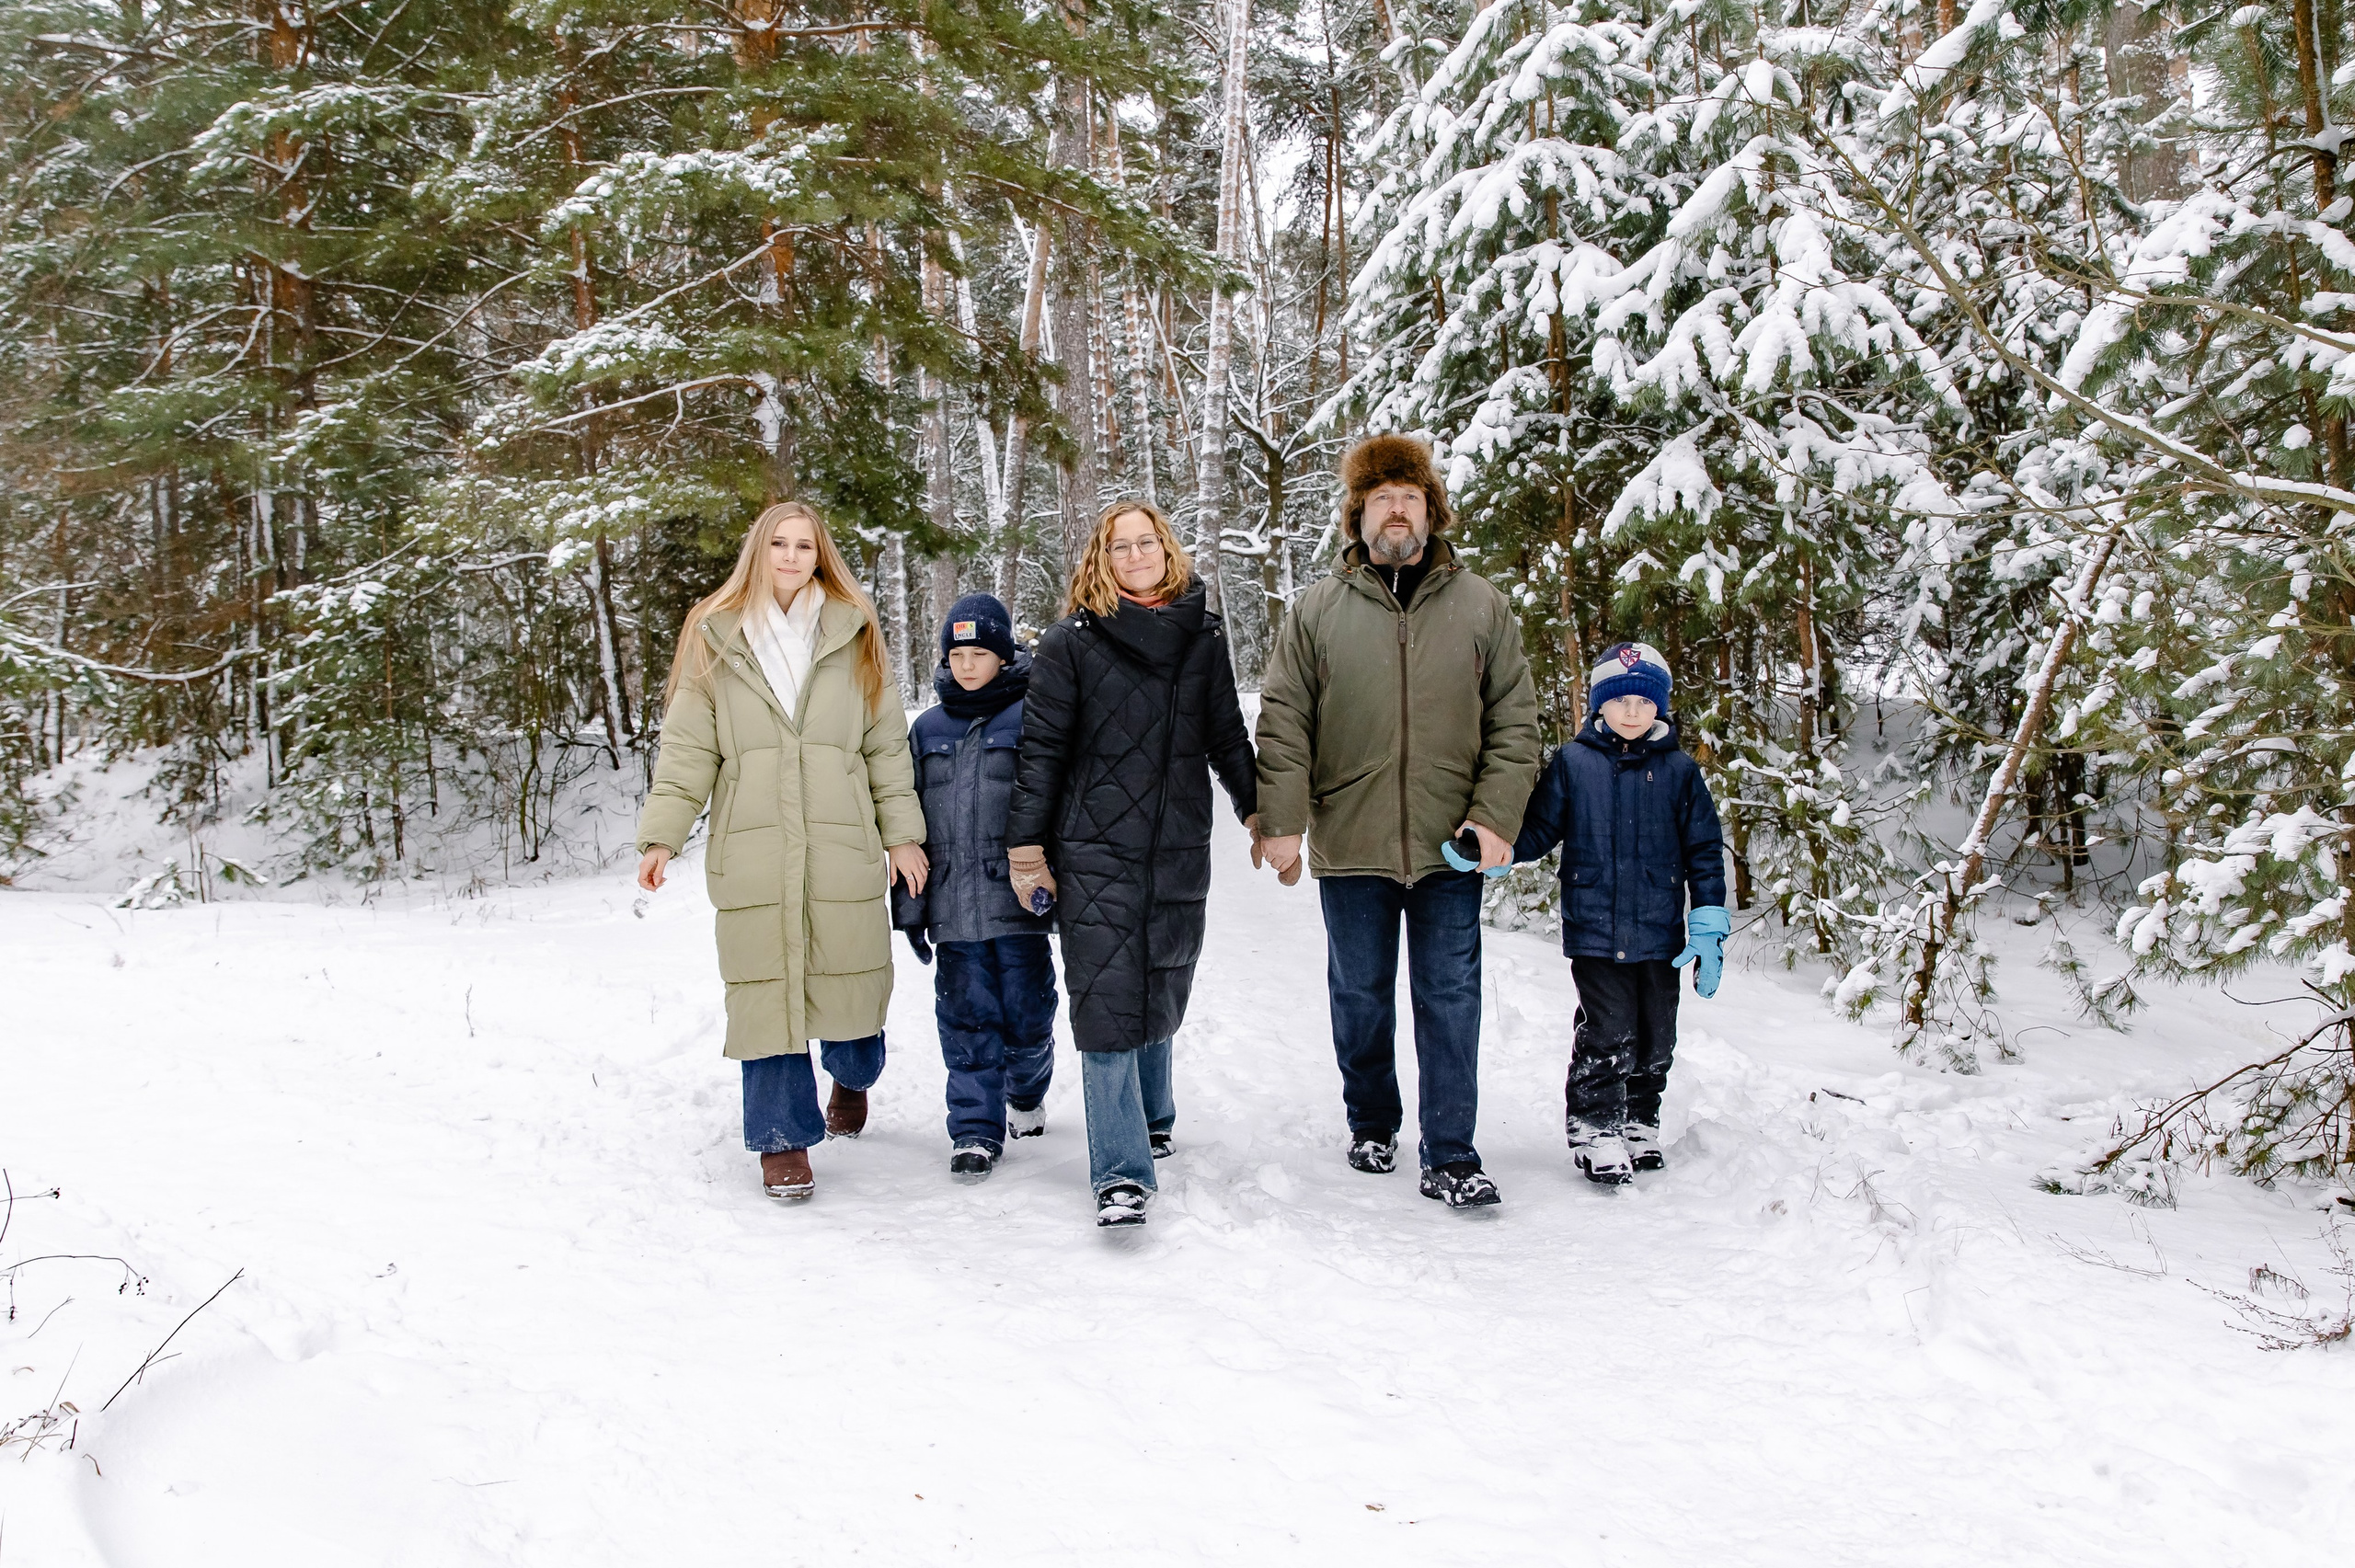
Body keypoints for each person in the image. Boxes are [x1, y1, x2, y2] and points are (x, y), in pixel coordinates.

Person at [1254, 433, 1541, 1209]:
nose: (1396, 511)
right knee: (1361, 993)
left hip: (1452, 844)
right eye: (1381, 498)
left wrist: (1494, 816)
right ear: (1358, 514)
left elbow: (1516, 721)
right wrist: (1280, 819)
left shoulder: (1480, 603)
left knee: (1451, 995)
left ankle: (1451, 1151)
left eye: (1409, 497)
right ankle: (1372, 1121)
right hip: (1351, 840)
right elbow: (1284, 721)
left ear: (1431, 510)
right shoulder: (1317, 609)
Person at [634, 501, 929, 1204]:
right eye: (779, 545)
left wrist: (902, 833)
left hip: (839, 840)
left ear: (820, 555)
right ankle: (781, 1139)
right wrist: (662, 832)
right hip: (756, 844)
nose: (791, 557)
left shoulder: (855, 634)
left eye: (804, 545)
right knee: (766, 992)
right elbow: (687, 748)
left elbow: (885, 745)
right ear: (758, 554)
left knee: (851, 995)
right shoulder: (717, 638)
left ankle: (853, 1078)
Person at [1004, 499, 1258, 1229]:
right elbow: (1041, 755)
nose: (1137, 554)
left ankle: (1154, 1112)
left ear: (1167, 548)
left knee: (1161, 975)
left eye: (1148, 541)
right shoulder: (1069, 644)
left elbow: (1226, 737)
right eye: (1121, 546)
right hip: (1092, 846)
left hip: (1177, 842)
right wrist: (1028, 851)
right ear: (1100, 559)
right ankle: (1120, 1171)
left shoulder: (1202, 636)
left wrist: (1260, 814)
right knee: (1107, 995)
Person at [1510, 642, 1729, 1185]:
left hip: (1659, 931)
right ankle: (1595, 1126)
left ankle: (1638, 1120)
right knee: (1608, 1029)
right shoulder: (1573, 763)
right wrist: (1502, 853)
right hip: (1595, 928)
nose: (1632, 711)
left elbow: (1703, 848)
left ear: (1661, 708)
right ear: (1599, 706)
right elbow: (1540, 828)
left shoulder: (1680, 771)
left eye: (1644, 701)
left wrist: (1706, 919)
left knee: (1657, 1032)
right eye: (1620, 700)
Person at [893, 592, 1059, 1184]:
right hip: (955, 913)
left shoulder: (1034, 716)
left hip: (1018, 908)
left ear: (1003, 655)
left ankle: (1026, 1090)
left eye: (980, 653)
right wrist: (912, 912)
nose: (967, 665)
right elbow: (907, 826)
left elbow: (1056, 808)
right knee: (965, 1022)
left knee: (1029, 1017)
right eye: (957, 653)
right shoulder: (927, 729)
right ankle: (973, 1132)